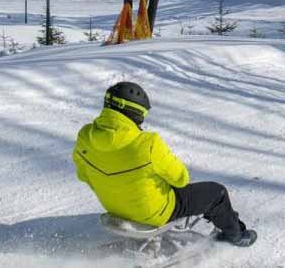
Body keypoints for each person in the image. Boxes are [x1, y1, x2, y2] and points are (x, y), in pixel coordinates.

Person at [72, 81, 258, 247]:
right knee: (216, 193)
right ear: (135, 112)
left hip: (114, 208)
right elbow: (180, 179)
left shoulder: (85, 135)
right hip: (155, 212)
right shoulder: (147, 142)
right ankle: (236, 236)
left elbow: (83, 175)